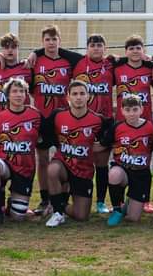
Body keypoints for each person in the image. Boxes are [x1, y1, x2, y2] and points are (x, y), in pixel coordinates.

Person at [28, 26, 85, 216]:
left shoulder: (69, 60)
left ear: (60, 41)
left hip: (63, 118)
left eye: (54, 39)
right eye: (47, 40)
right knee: (42, 159)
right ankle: (45, 199)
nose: (51, 43)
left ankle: (62, 199)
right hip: (42, 118)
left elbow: (88, 59)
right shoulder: (35, 62)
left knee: (67, 158)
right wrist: (34, 53)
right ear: (42, 41)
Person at [45, 80, 111, 228]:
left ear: (88, 96)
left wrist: (101, 146)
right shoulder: (57, 116)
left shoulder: (98, 120)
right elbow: (44, 133)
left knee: (81, 216)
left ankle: (60, 204)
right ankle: (57, 213)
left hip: (84, 171)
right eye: (74, 94)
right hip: (63, 162)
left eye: (82, 93)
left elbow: (110, 136)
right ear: (68, 97)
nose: (78, 97)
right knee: (52, 169)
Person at [0, 77, 42, 226]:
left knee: (18, 217)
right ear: (8, 95)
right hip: (4, 162)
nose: (18, 95)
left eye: (21, 91)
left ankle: (13, 203)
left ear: (26, 95)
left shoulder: (36, 115)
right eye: (14, 91)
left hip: (25, 168)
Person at [72, 34, 115, 215]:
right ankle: (76, 196)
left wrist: (148, 58)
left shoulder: (112, 64)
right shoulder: (76, 62)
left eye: (99, 45)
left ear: (105, 48)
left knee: (102, 162)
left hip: (104, 120)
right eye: (92, 45)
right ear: (87, 48)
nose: (96, 48)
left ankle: (100, 202)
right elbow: (51, 51)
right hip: (82, 119)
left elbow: (137, 59)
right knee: (79, 159)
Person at [106, 94, 153, 226]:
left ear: (141, 109)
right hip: (122, 169)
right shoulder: (117, 128)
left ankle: (128, 204)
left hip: (141, 174)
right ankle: (117, 209)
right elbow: (104, 144)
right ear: (122, 111)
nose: (131, 113)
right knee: (114, 174)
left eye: (135, 109)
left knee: (133, 218)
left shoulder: (150, 127)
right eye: (127, 110)